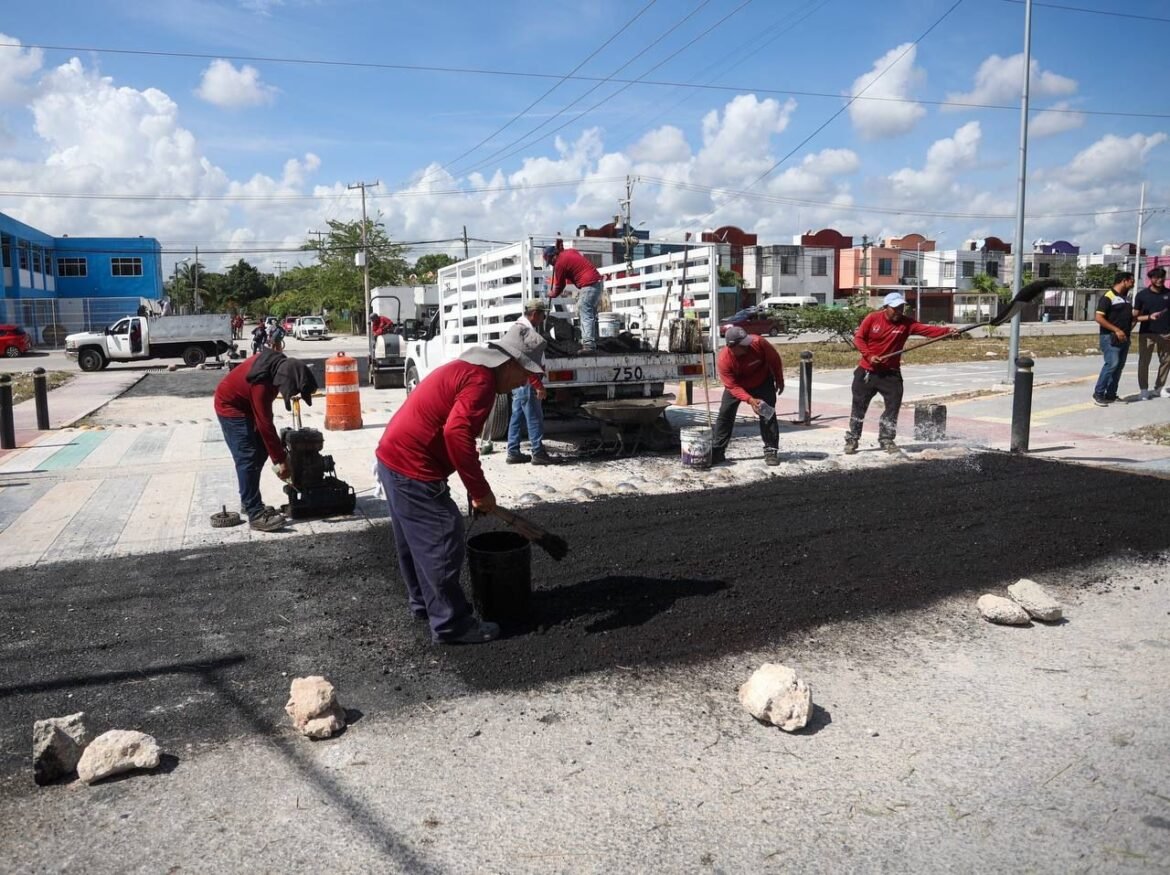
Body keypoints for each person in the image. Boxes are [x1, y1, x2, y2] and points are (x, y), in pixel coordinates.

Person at [374, 330, 545, 644]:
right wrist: (480, 490)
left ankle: (425, 604)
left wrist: (470, 485)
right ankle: (452, 625)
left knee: (413, 541)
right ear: (509, 363)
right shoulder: (481, 383)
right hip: (412, 465)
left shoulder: (468, 369)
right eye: (525, 374)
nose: (523, 383)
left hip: (393, 457)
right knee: (443, 535)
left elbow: (452, 431)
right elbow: (456, 433)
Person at [213, 348, 318, 532]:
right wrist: (281, 460)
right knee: (247, 456)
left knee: (261, 451)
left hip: (246, 403)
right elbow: (265, 425)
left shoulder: (279, 367)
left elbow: (265, 425)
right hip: (230, 406)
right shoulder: (261, 385)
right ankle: (254, 513)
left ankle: (249, 499)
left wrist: (278, 455)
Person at [845, 292, 958, 454]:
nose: (899, 311)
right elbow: (859, 338)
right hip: (867, 372)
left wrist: (947, 331)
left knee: (892, 407)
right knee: (859, 407)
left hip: (891, 374)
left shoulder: (907, 323)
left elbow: (927, 330)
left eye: (901, 308)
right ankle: (852, 439)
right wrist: (869, 356)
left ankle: (886, 439)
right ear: (886, 307)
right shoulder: (872, 318)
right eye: (895, 308)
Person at [712, 325, 785, 465]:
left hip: (762, 380)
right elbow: (732, 386)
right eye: (742, 345)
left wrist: (779, 379)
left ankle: (771, 450)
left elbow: (774, 359)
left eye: (747, 341)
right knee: (725, 414)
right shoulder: (724, 360)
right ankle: (718, 451)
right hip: (738, 386)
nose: (747, 346)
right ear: (731, 347)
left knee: (767, 412)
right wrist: (749, 399)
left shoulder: (758, 342)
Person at [506, 300, 561, 466]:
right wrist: (538, 385)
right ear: (535, 314)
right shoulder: (526, 331)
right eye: (543, 315)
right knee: (534, 416)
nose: (544, 318)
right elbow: (526, 362)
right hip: (527, 381)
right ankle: (538, 452)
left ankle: (513, 451)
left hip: (518, 381)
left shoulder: (517, 327)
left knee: (517, 416)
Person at [543, 245, 604, 353]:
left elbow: (560, 285)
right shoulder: (570, 252)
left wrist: (552, 294)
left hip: (589, 284)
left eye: (551, 261)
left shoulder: (559, 264)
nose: (552, 264)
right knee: (590, 313)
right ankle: (593, 341)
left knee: (584, 309)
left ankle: (589, 345)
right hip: (597, 282)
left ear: (554, 256)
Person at [1093, 272, 1136, 406]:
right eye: (1131, 281)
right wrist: (1116, 330)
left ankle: (1111, 394)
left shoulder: (1126, 298)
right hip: (1110, 337)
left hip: (1124, 338)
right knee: (1112, 364)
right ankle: (1098, 393)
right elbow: (1099, 318)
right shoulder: (1108, 296)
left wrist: (1149, 317)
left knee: (1119, 367)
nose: (1133, 284)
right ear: (1124, 281)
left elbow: (1130, 318)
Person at [1133, 266, 1169, 400]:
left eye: (1162, 277)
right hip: (1147, 333)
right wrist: (1148, 317)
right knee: (1144, 361)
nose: (1160, 280)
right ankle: (1143, 389)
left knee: (1166, 361)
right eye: (1156, 277)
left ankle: (1159, 388)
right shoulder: (1142, 295)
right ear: (1151, 279)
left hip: (1166, 333)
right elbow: (1135, 317)